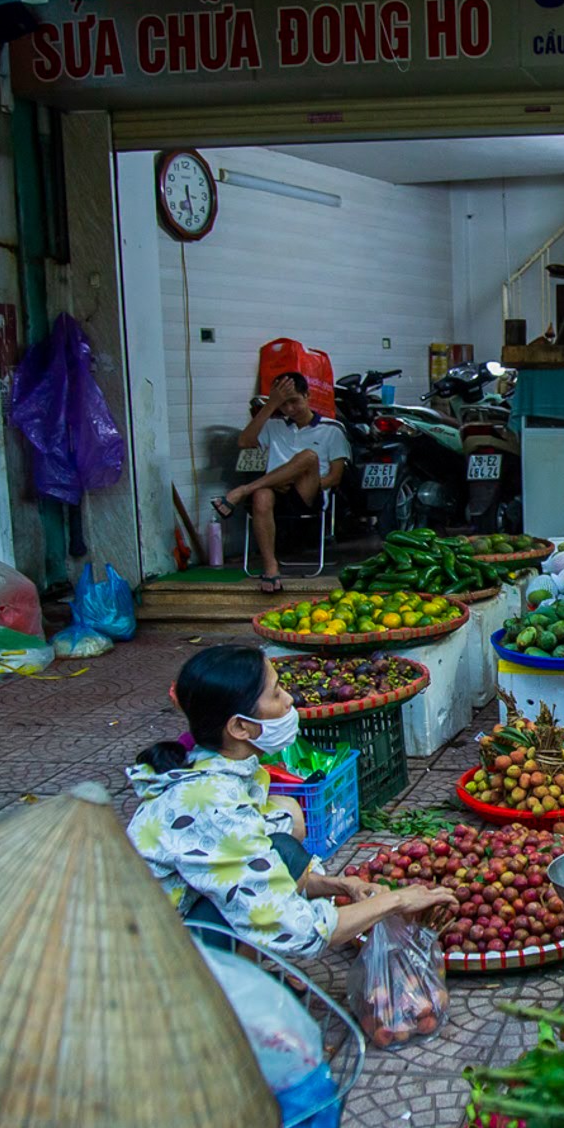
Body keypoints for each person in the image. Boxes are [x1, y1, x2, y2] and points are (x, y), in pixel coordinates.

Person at [126, 645, 454, 959]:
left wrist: (341, 885)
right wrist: (397, 901)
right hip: (148, 959)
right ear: (239, 726)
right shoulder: (212, 804)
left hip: (170, 917)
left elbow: (261, 858)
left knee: (283, 834)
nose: (288, 701)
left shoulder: (213, 765)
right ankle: (226, 994)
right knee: (267, 886)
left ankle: (244, 970)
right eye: (275, 693)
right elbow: (300, 933)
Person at [211, 371, 350, 593]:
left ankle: (242, 491)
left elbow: (335, 477)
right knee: (262, 495)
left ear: (308, 395)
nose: (290, 409)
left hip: (309, 492)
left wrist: (299, 479)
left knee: (308, 457)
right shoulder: (274, 426)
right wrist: (271, 405)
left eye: (294, 401)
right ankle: (271, 567)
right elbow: (244, 441)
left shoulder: (331, 429)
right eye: (283, 404)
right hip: (275, 491)